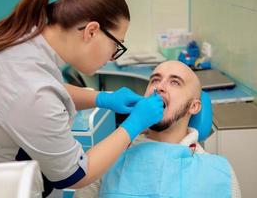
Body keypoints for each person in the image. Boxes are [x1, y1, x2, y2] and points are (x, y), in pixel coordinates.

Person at [0, 0, 164, 197]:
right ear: (91, 31)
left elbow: (48, 89)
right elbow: (74, 174)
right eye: (116, 45)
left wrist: (103, 98)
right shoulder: (30, 89)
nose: (112, 56)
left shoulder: (27, 40)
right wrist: (133, 125)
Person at [74, 61, 241, 198]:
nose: (159, 87)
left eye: (175, 82)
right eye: (154, 80)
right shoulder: (108, 159)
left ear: (194, 106)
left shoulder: (218, 172)